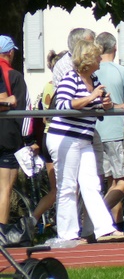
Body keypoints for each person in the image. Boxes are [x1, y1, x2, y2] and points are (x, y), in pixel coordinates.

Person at [46, 40, 124, 243]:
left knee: (92, 183)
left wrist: (105, 104)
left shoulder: (94, 79)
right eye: (97, 56)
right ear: (88, 59)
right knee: (67, 186)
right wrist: (92, 97)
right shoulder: (71, 78)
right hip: (65, 138)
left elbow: (96, 108)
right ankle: (67, 234)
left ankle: (104, 229)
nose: (101, 59)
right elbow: (63, 105)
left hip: (84, 139)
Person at [95, 31, 124, 230]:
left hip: (96, 131)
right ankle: (97, 217)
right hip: (116, 131)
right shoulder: (121, 71)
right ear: (115, 48)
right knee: (122, 181)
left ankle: (115, 223)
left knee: (110, 181)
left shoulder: (92, 71)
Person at [0, 35, 34, 225]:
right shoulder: (15, 76)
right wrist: (29, 140)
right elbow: (25, 111)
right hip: (8, 136)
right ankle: (1, 233)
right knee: (4, 189)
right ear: (11, 52)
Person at [32, 49, 67, 223]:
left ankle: (37, 219)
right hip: (57, 135)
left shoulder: (47, 86)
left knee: (58, 188)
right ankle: (33, 219)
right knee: (61, 188)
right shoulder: (58, 86)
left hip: (48, 136)